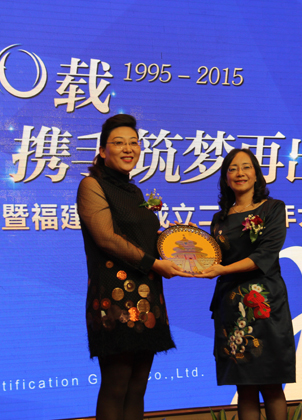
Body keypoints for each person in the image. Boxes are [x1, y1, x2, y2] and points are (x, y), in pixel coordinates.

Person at [77, 114, 190, 420]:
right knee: (116, 385)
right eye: (118, 143)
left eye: (133, 143)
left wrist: (178, 240)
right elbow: (106, 238)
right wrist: (154, 263)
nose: (128, 149)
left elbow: (142, 239)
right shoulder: (91, 185)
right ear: (103, 151)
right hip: (114, 297)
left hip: (147, 295)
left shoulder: (135, 191)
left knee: (138, 386)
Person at [195, 148, 296, 420]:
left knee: (272, 384)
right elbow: (213, 257)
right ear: (225, 178)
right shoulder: (220, 219)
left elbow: (265, 255)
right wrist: (190, 239)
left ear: (256, 174)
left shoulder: (273, 208)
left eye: (246, 167)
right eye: (232, 169)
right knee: (245, 386)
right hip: (231, 308)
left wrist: (224, 269)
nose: (239, 173)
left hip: (265, 306)